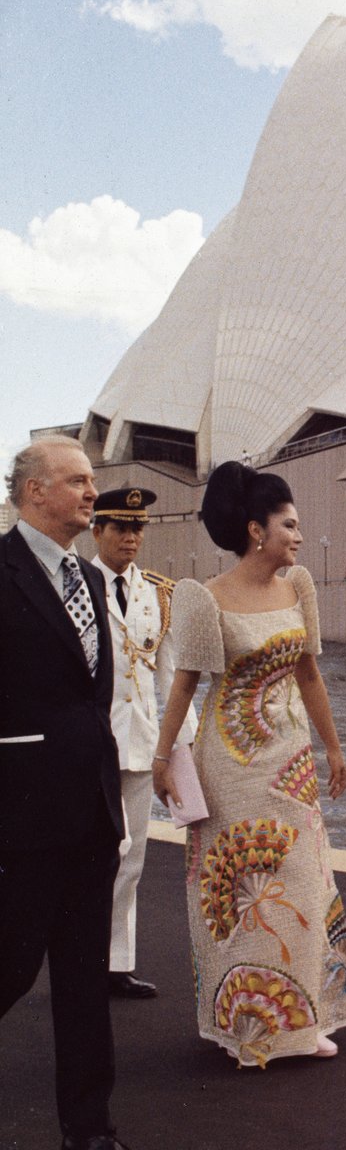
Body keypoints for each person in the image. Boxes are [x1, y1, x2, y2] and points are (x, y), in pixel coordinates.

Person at [152, 463, 346, 1066]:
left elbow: (310, 674)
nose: (298, 535)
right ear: (255, 529)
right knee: (241, 888)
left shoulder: (300, 588)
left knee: (303, 881)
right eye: (288, 524)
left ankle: (304, 1016)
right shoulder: (203, 597)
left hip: (291, 759)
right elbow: (185, 686)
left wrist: (334, 748)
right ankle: (249, 1023)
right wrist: (165, 760)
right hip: (230, 766)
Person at [0, 437, 127, 1149]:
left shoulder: (92, 577)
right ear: (34, 491)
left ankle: (90, 1130)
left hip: (90, 816)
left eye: (92, 479)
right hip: (20, 820)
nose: (91, 491)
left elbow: (92, 698)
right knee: (11, 969)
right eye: (77, 480)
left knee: (83, 983)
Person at [91, 487, 198, 1001]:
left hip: (138, 745)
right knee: (81, 856)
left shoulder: (159, 593)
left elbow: (176, 676)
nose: (131, 538)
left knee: (129, 856)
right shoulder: (76, 583)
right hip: (85, 748)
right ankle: (77, 958)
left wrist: (185, 747)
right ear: (97, 532)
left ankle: (114, 965)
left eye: (138, 530)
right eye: (120, 529)